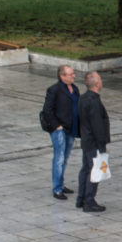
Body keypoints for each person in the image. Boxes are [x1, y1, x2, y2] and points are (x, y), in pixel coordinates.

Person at [41, 65, 79, 200]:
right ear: (62, 76)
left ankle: (61, 184)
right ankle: (57, 189)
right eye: (70, 74)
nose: (73, 76)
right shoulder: (54, 90)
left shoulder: (74, 89)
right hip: (60, 130)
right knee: (59, 158)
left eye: (73, 73)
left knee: (65, 158)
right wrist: (57, 126)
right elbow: (47, 110)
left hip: (71, 129)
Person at [76, 71, 110, 213]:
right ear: (96, 84)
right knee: (94, 170)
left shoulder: (83, 98)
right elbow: (97, 125)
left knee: (85, 169)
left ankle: (81, 198)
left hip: (86, 139)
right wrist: (102, 144)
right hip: (93, 142)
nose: (101, 82)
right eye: (100, 79)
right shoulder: (94, 101)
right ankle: (89, 201)